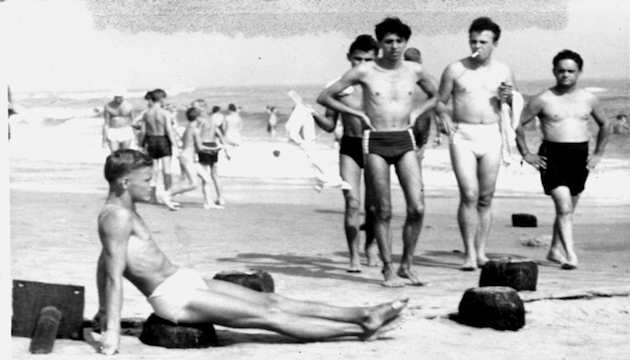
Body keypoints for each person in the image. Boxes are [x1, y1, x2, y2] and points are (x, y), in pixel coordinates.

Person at [95, 149, 408, 355]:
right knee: (268, 316)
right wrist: (111, 331)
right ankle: (356, 331)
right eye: (146, 180)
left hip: (182, 279)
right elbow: (112, 276)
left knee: (274, 301)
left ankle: (363, 314)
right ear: (124, 182)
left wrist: (104, 312)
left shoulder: (124, 208)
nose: (152, 186)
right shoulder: (116, 217)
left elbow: (104, 263)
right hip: (172, 296)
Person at [318, 18, 439, 287]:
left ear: (406, 42)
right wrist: (357, 112)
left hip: (404, 140)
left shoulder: (415, 70)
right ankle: (388, 268)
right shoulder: (365, 71)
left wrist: (418, 112)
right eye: (388, 41)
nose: (394, 46)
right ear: (381, 43)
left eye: (399, 41)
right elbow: (325, 96)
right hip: (375, 142)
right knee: (382, 209)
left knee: (417, 206)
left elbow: (436, 95)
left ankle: (407, 264)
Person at [515, 50, 611, 270]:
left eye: (570, 71)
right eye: (561, 71)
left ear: (579, 72)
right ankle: (570, 255)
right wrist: (526, 153)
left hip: (580, 157)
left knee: (567, 211)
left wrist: (598, 154)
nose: (565, 75)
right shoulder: (542, 99)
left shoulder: (589, 99)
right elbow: (517, 124)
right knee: (565, 208)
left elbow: (605, 124)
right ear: (554, 72)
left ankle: (554, 250)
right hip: (552, 157)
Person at [437, 17, 516, 271]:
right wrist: (444, 117)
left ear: (495, 43)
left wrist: (509, 98)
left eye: (483, 42)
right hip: (464, 136)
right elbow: (438, 101)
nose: (477, 46)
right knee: (469, 194)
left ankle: (481, 252)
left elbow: (516, 106)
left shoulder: (504, 71)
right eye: (473, 41)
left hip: (492, 135)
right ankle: (469, 253)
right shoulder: (455, 69)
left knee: (486, 197)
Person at [311, 34, 380, 273]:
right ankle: (354, 255)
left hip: (375, 147)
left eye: (367, 59)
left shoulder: (379, 82)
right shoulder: (338, 85)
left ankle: (371, 245)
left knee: (373, 206)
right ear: (349, 57)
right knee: (352, 203)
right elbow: (330, 125)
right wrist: (312, 114)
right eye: (357, 59)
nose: (361, 64)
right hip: (349, 145)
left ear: (375, 58)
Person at [162, 107, 223, 211]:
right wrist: (215, 147)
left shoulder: (188, 127)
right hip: (187, 158)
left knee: (206, 179)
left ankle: (208, 203)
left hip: (189, 157)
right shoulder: (195, 130)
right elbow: (200, 147)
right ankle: (168, 194)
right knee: (193, 184)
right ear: (198, 118)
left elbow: (184, 141)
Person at [137, 89, 178, 204]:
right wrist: (175, 145)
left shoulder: (146, 113)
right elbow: (169, 130)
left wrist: (140, 145)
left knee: (154, 170)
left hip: (151, 140)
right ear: (161, 99)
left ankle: (152, 197)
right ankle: (168, 196)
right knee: (166, 170)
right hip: (163, 140)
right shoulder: (165, 113)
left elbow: (143, 131)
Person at [403, 47, 442, 162]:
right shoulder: (431, 80)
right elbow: (437, 107)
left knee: (403, 160)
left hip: (404, 123)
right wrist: (439, 134)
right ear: (420, 60)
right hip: (422, 123)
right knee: (418, 157)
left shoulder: (398, 80)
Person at [196, 100, 227, 207]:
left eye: (195, 108)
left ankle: (207, 200)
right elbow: (219, 133)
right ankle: (220, 198)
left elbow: (197, 135)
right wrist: (225, 147)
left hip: (204, 146)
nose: (193, 110)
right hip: (214, 146)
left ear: (201, 108)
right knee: (215, 174)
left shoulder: (199, 120)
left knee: (205, 175)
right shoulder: (212, 119)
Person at [102, 88, 135, 152]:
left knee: (125, 154)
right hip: (113, 131)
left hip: (126, 130)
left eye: (120, 97)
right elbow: (106, 123)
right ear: (114, 97)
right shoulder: (108, 106)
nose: (119, 99)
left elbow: (133, 122)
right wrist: (104, 140)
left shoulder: (129, 106)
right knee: (114, 154)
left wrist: (136, 137)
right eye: (117, 97)